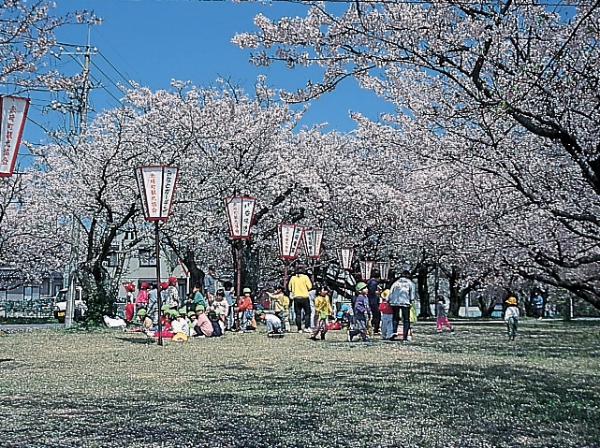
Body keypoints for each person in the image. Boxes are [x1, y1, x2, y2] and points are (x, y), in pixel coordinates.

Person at [387, 270, 416, 342]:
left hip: (394, 302)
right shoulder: (410, 283)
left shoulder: (396, 282)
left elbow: (390, 292)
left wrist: (388, 300)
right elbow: (412, 295)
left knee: (395, 318)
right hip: (405, 302)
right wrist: (411, 300)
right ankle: (405, 336)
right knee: (406, 319)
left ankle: (393, 332)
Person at [287, 265, 312, 333]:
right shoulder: (305, 277)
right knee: (307, 313)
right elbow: (310, 287)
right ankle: (306, 327)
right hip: (305, 297)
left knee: (298, 314)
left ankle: (299, 329)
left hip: (296, 297)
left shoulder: (293, 278)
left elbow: (289, 288)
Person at [367, 269, 382, 334]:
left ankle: (372, 328)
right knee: (377, 315)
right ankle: (375, 329)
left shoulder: (369, 281)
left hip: (370, 300)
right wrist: (379, 292)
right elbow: (372, 291)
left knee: (373, 315)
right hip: (373, 301)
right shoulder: (374, 282)